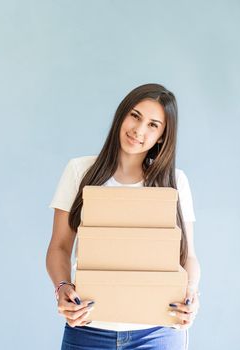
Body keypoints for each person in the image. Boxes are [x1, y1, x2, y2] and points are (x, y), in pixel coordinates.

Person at [46, 83, 201, 350]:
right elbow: (59, 247)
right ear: (122, 115)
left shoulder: (175, 182)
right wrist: (62, 288)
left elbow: (187, 256)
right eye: (135, 116)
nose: (139, 130)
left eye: (153, 125)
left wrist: (191, 293)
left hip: (158, 332)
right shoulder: (79, 171)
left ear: (163, 136)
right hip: (88, 328)